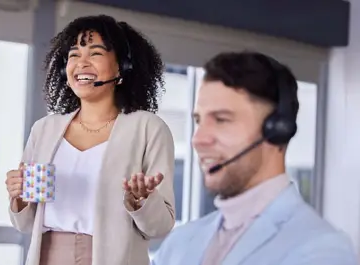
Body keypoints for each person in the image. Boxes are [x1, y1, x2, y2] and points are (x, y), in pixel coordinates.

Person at [152, 51, 358, 265]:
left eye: (221, 120)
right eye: (199, 121)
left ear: (277, 130)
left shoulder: (322, 249)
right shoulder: (179, 243)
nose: (198, 139)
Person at [5, 15, 176, 265]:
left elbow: (160, 227)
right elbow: (25, 223)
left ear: (123, 67)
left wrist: (142, 201)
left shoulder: (148, 128)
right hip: (48, 256)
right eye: (73, 55)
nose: (81, 63)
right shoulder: (44, 130)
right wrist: (19, 196)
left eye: (95, 53)